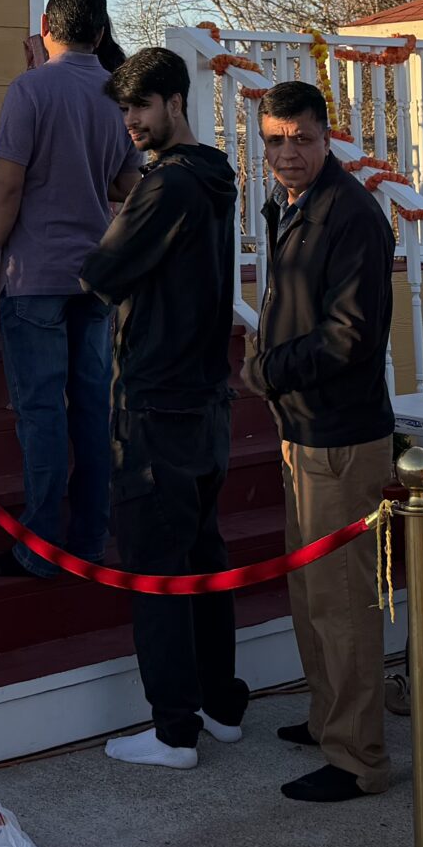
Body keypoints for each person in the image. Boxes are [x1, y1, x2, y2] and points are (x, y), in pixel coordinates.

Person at [81, 46, 250, 769]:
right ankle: (219, 704)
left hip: (156, 401)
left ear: (175, 101)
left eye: (141, 106)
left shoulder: (168, 185)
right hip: (207, 395)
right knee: (203, 556)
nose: (131, 121)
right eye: (124, 108)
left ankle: (174, 729)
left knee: (155, 566)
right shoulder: (215, 175)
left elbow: (102, 272)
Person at [245, 81, 393, 805]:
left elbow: (349, 335)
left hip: (341, 434)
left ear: (327, 138)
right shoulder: (291, 205)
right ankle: (328, 719)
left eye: (301, 139)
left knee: (343, 602)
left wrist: (268, 369)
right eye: (274, 140)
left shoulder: (351, 213)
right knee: (309, 592)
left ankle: (358, 757)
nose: (287, 153)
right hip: (300, 429)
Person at [0, 0, 140, 580]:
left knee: (41, 412)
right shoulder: (118, 95)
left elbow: (7, 189)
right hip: (94, 274)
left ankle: (41, 546)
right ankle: (90, 539)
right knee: (92, 408)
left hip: (35, 273)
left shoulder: (30, 89)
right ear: (100, 31)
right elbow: (127, 184)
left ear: (47, 27)